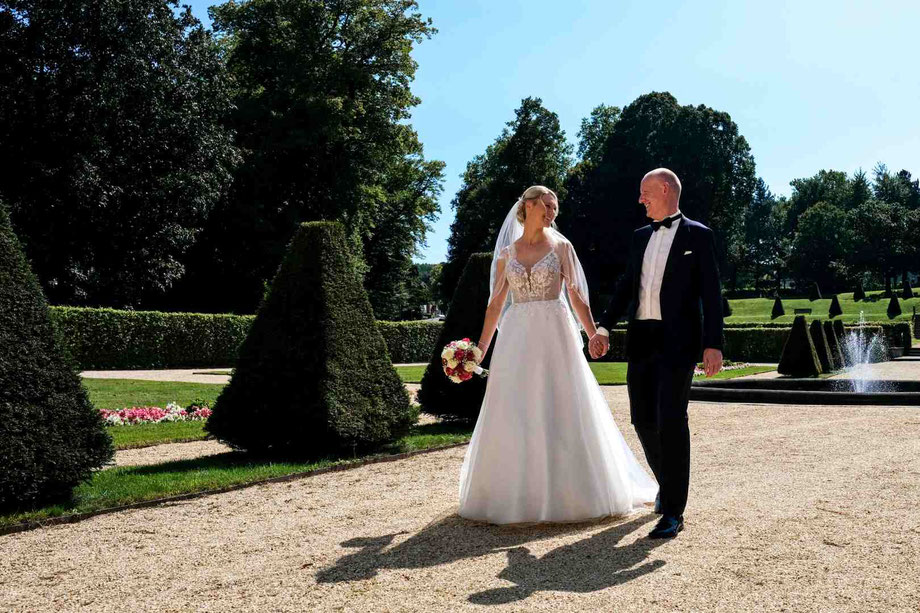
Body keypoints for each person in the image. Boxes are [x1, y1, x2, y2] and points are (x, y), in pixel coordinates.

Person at [458, 185, 657, 525]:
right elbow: (494, 305)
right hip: (516, 337)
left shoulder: (562, 247)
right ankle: (516, 494)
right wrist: (480, 350)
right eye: (547, 206)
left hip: (554, 333)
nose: (552, 212)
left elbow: (577, 296)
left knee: (561, 402)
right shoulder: (506, 254)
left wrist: (594, 333)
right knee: (515, 407)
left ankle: (573, 492)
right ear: (529, 206)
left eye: (555, 207)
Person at [589, 168, 724, 539]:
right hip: (642, 338)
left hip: (678, 341)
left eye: (644, 192)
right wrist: (603, 327)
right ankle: (668, 482)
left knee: (672, 420)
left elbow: (711, 293)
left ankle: (674, 511)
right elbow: (625, 287)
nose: (640, 199)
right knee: (642, 420)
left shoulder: (699, 235)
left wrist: (713, 343)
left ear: (665, 189)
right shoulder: (640, 237)